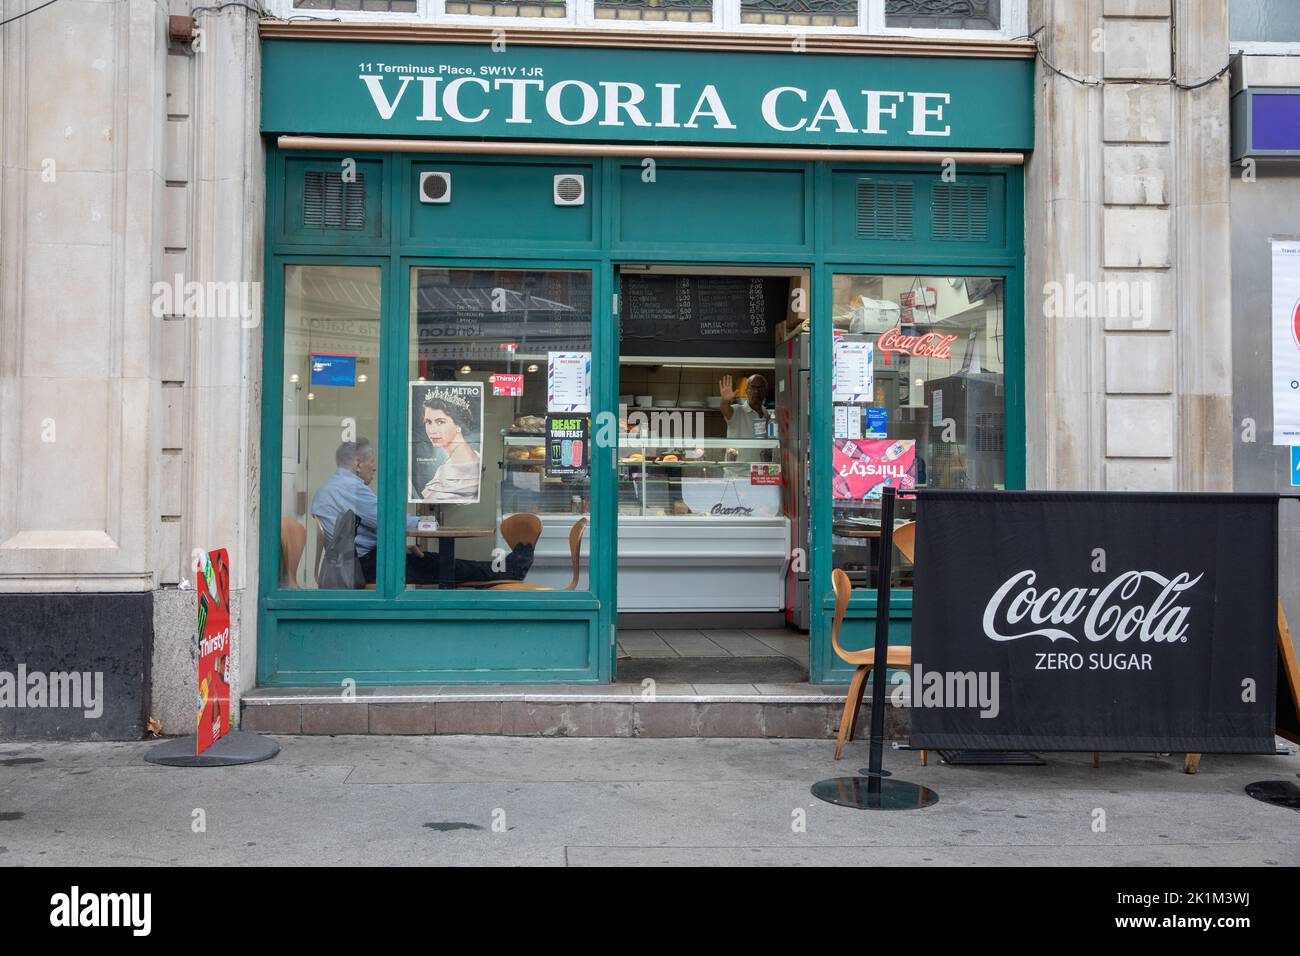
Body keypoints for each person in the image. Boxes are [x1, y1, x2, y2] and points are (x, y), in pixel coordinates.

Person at [313, 438, 532, 587]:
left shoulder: (330, 488)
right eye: (372, 462)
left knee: (436, 561)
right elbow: (387, 519)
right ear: (358, 464)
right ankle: (508, 571)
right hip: (366, 567)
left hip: (358, 562)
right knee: (440, 564)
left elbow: (366, 527)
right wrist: (424, 522)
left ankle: (506, 569)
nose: (375, 468)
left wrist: (398, 544)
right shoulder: (350, 488)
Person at [416, 388, 483, 503]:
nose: (432, 430)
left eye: (440, 422)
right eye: (428, 422)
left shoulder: (465, 464)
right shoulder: (450, 464)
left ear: (459, 424)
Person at [718, 373, 773, 462]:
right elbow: (725, 409)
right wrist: (725, 400)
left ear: (766, 391)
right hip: (736, 474)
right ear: (746, 391)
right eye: (752, 388)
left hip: (759, 473)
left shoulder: (768, 415)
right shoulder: (737, 411)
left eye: (760, 388)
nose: (756, 392)